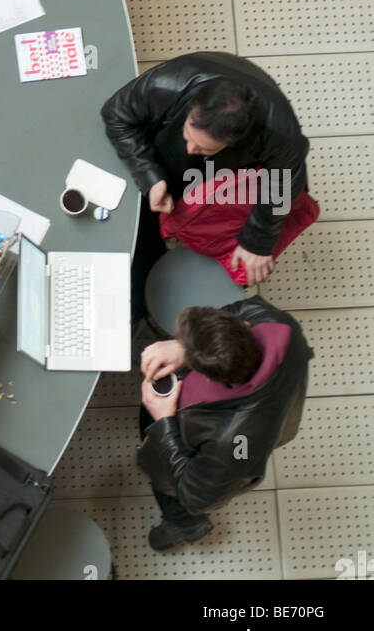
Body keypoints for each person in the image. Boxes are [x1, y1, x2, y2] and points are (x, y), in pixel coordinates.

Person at [101, 53, 312, 313]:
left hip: (218, 174)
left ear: (234, 142)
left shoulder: (280, 135)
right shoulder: (167, 83)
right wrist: (150, 176)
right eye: (188, 134)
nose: (190, 148)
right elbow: (116, 115)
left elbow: (284, 183)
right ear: (193, 109)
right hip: (161, 153)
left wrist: (256, 243)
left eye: (202, 148)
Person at [137, 300, 312, 550]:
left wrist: (163, 422)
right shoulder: (280, 325)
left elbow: (195, 494)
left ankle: (184, 523)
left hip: (202, 447)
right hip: (273, 414)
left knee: (169, 484)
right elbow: (240, 308)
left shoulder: (234, 442)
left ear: (206, 376)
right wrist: (180, 346)